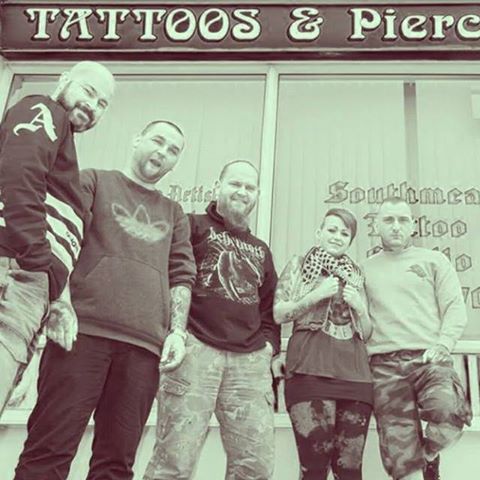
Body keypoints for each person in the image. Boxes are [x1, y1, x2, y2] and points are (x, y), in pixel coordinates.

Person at [14, 120, 197, 480]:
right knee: (49, 450)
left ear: (176, 162)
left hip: (144, 349)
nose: (162, 152)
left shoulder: (174, 213)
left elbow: (181, 274)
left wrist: (177, 332)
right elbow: (60, 243)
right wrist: (61, 303)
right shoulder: (93, 181)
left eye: (173, 150)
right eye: (158, 141)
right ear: (137, 140)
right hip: (81, 336)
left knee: (116, 464)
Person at [143, 159, 281, 480]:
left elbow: (269, 309)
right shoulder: (191, 226)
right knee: (174, 462)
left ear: (257, 195)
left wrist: (268, 348)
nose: (242, 191)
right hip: (195, 352)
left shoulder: (261, 250)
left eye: (249, 187)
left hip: (249, 363)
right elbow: (168, 277)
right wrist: (176, 332)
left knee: (255, 467)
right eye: (235, 183)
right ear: (217, 187)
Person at [0, 61, 115, 417]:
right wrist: (38, 265)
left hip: (25, 285)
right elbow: (18, 177)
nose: (92, 106)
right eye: (88, 92)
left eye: (102, 104)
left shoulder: (63, 144)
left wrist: (57, 298)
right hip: (13, 274)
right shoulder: (44, 110)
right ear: (64, 80)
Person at [364, 196, 472, 480]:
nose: (396, 226)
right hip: (384, 368)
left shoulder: (434, 260)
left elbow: (454, 307)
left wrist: (444, 343)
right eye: (388, 220)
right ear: (376, 226)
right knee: (402, 461)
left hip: (429, 359)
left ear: (413, 225)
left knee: (449, 412)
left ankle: (427, 457)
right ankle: (412, 465)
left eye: (403, 220)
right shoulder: (365, 269)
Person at [274, 208, 373, 480]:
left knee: (350, 471)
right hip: (309, 372)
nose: (337, 237)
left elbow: (367, 333)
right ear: (319, 233)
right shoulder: (299, 264)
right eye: (332, 230)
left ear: (350, 241)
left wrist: (360, 308)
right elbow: (279, 313)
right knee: (314, 469)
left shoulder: (357, 276)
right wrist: (316, 295)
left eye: (345, 233)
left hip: (356, 378)